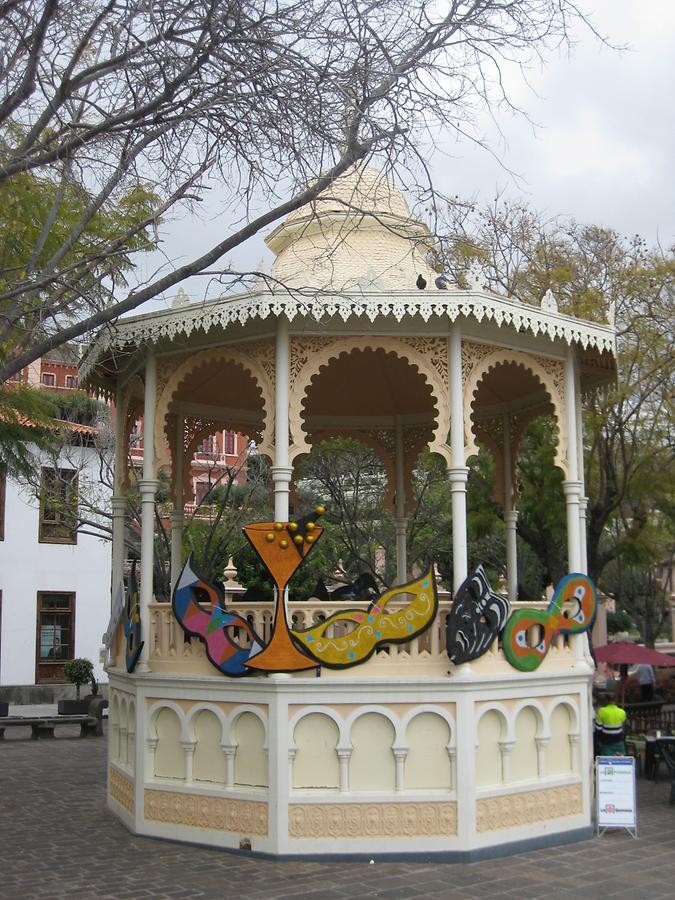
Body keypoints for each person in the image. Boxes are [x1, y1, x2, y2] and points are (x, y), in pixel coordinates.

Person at [594, 690, 627, 757]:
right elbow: (623, 728)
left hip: (606, 743)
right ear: (616, 700)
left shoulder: (601, 711)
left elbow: (598, 729)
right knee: (621, 762)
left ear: (606, 700)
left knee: (607, 763)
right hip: (619, 742)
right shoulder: (622, 712)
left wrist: (600, 741)